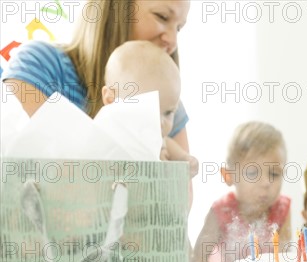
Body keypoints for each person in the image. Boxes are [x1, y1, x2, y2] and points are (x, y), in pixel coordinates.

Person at [2, 0, 198, 177]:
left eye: (179, 28)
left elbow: (178, 206)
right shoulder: (39, 64)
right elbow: (20, 173)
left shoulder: (167, 102)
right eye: (162, 17)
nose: (172, 41)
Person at [192, 121, 291, 262]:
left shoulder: (281, 209)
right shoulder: (221, 211)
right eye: (252, 173)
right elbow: (198, 260)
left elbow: (282, 260)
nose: (266, 183)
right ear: (229, 176)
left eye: (274, 174)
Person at [102, 40, 189, 163]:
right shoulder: (106, 134)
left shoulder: (158, 140)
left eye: (168, 112)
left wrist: (185, 159)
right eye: (147, 110)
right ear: (111, 100)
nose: (159, 122)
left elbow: (170, 145)